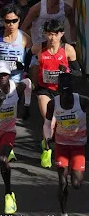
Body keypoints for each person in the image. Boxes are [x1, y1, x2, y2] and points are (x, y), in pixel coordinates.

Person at [0, 61, 32, 215]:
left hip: (9, 130)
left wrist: (27, 105)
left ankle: (9, 195)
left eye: (5, 75)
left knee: (3, 160)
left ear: (9, 75)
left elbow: (29, 82)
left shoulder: (17, 87)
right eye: (0, 75)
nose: (2, 78)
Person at [30, 18, 79, 168]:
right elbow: (29, 61)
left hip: (61, 91)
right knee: (49, 120)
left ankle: (47, 141)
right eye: (49, 34)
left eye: (55, 34)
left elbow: (78, 72)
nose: (52, 38)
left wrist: (67, 72)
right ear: (45, 34)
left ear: (61, 34)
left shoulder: (68, 50)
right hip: (44, 90)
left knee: (60, 124)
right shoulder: (38, 48)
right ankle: (47, 151)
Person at [43, 73, 87, 216]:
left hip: (78, 147)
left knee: (76, 184)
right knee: (62, 182)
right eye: (64, 93)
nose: (67, 97)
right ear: (60, 92)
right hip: (61, 145)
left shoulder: (82, 101)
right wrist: (48, 140)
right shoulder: (53, 104)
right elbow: (47, 124)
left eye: (69, 93)